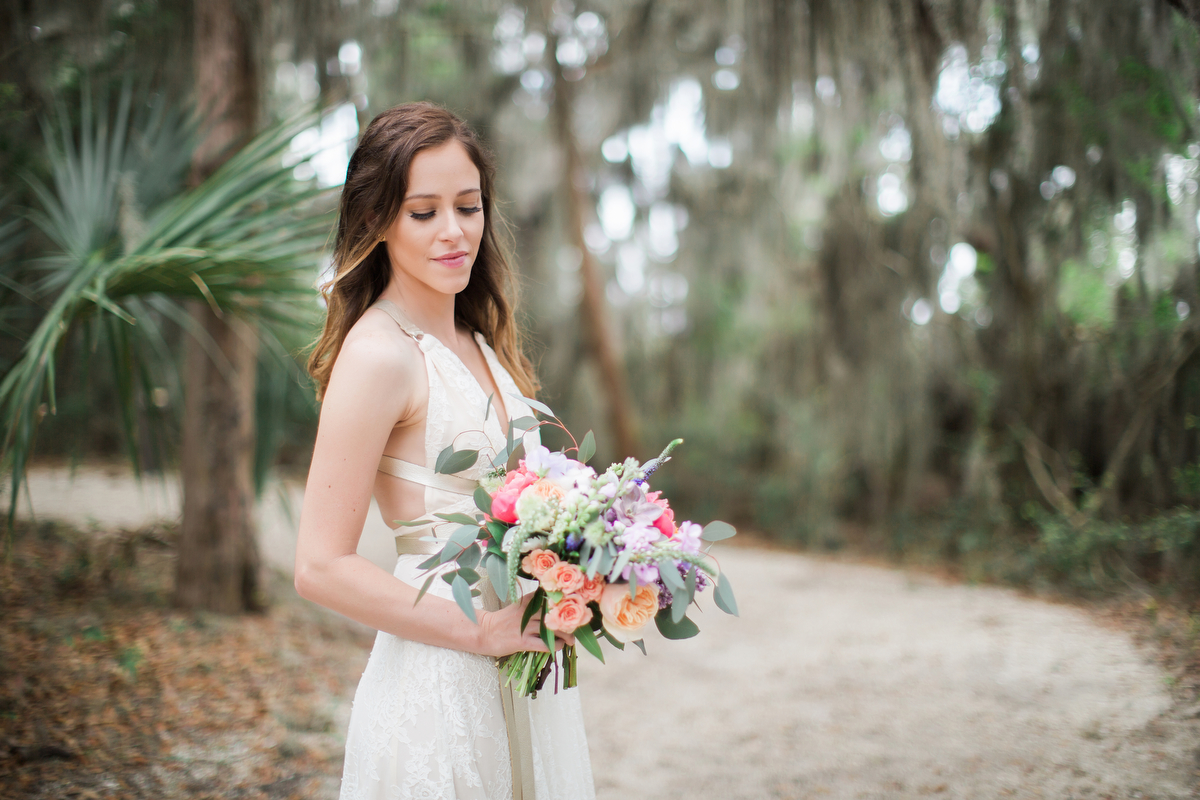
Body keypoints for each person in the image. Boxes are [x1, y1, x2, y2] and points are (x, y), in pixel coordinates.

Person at [294, 102, 595, 800]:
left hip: (519, 674)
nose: (454, 232)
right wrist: (484, 629)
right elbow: (318, 566)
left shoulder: (480, 342)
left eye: (468, 205)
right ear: (379, 221)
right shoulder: (378, 355)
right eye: (423, 212)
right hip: (439, 684)